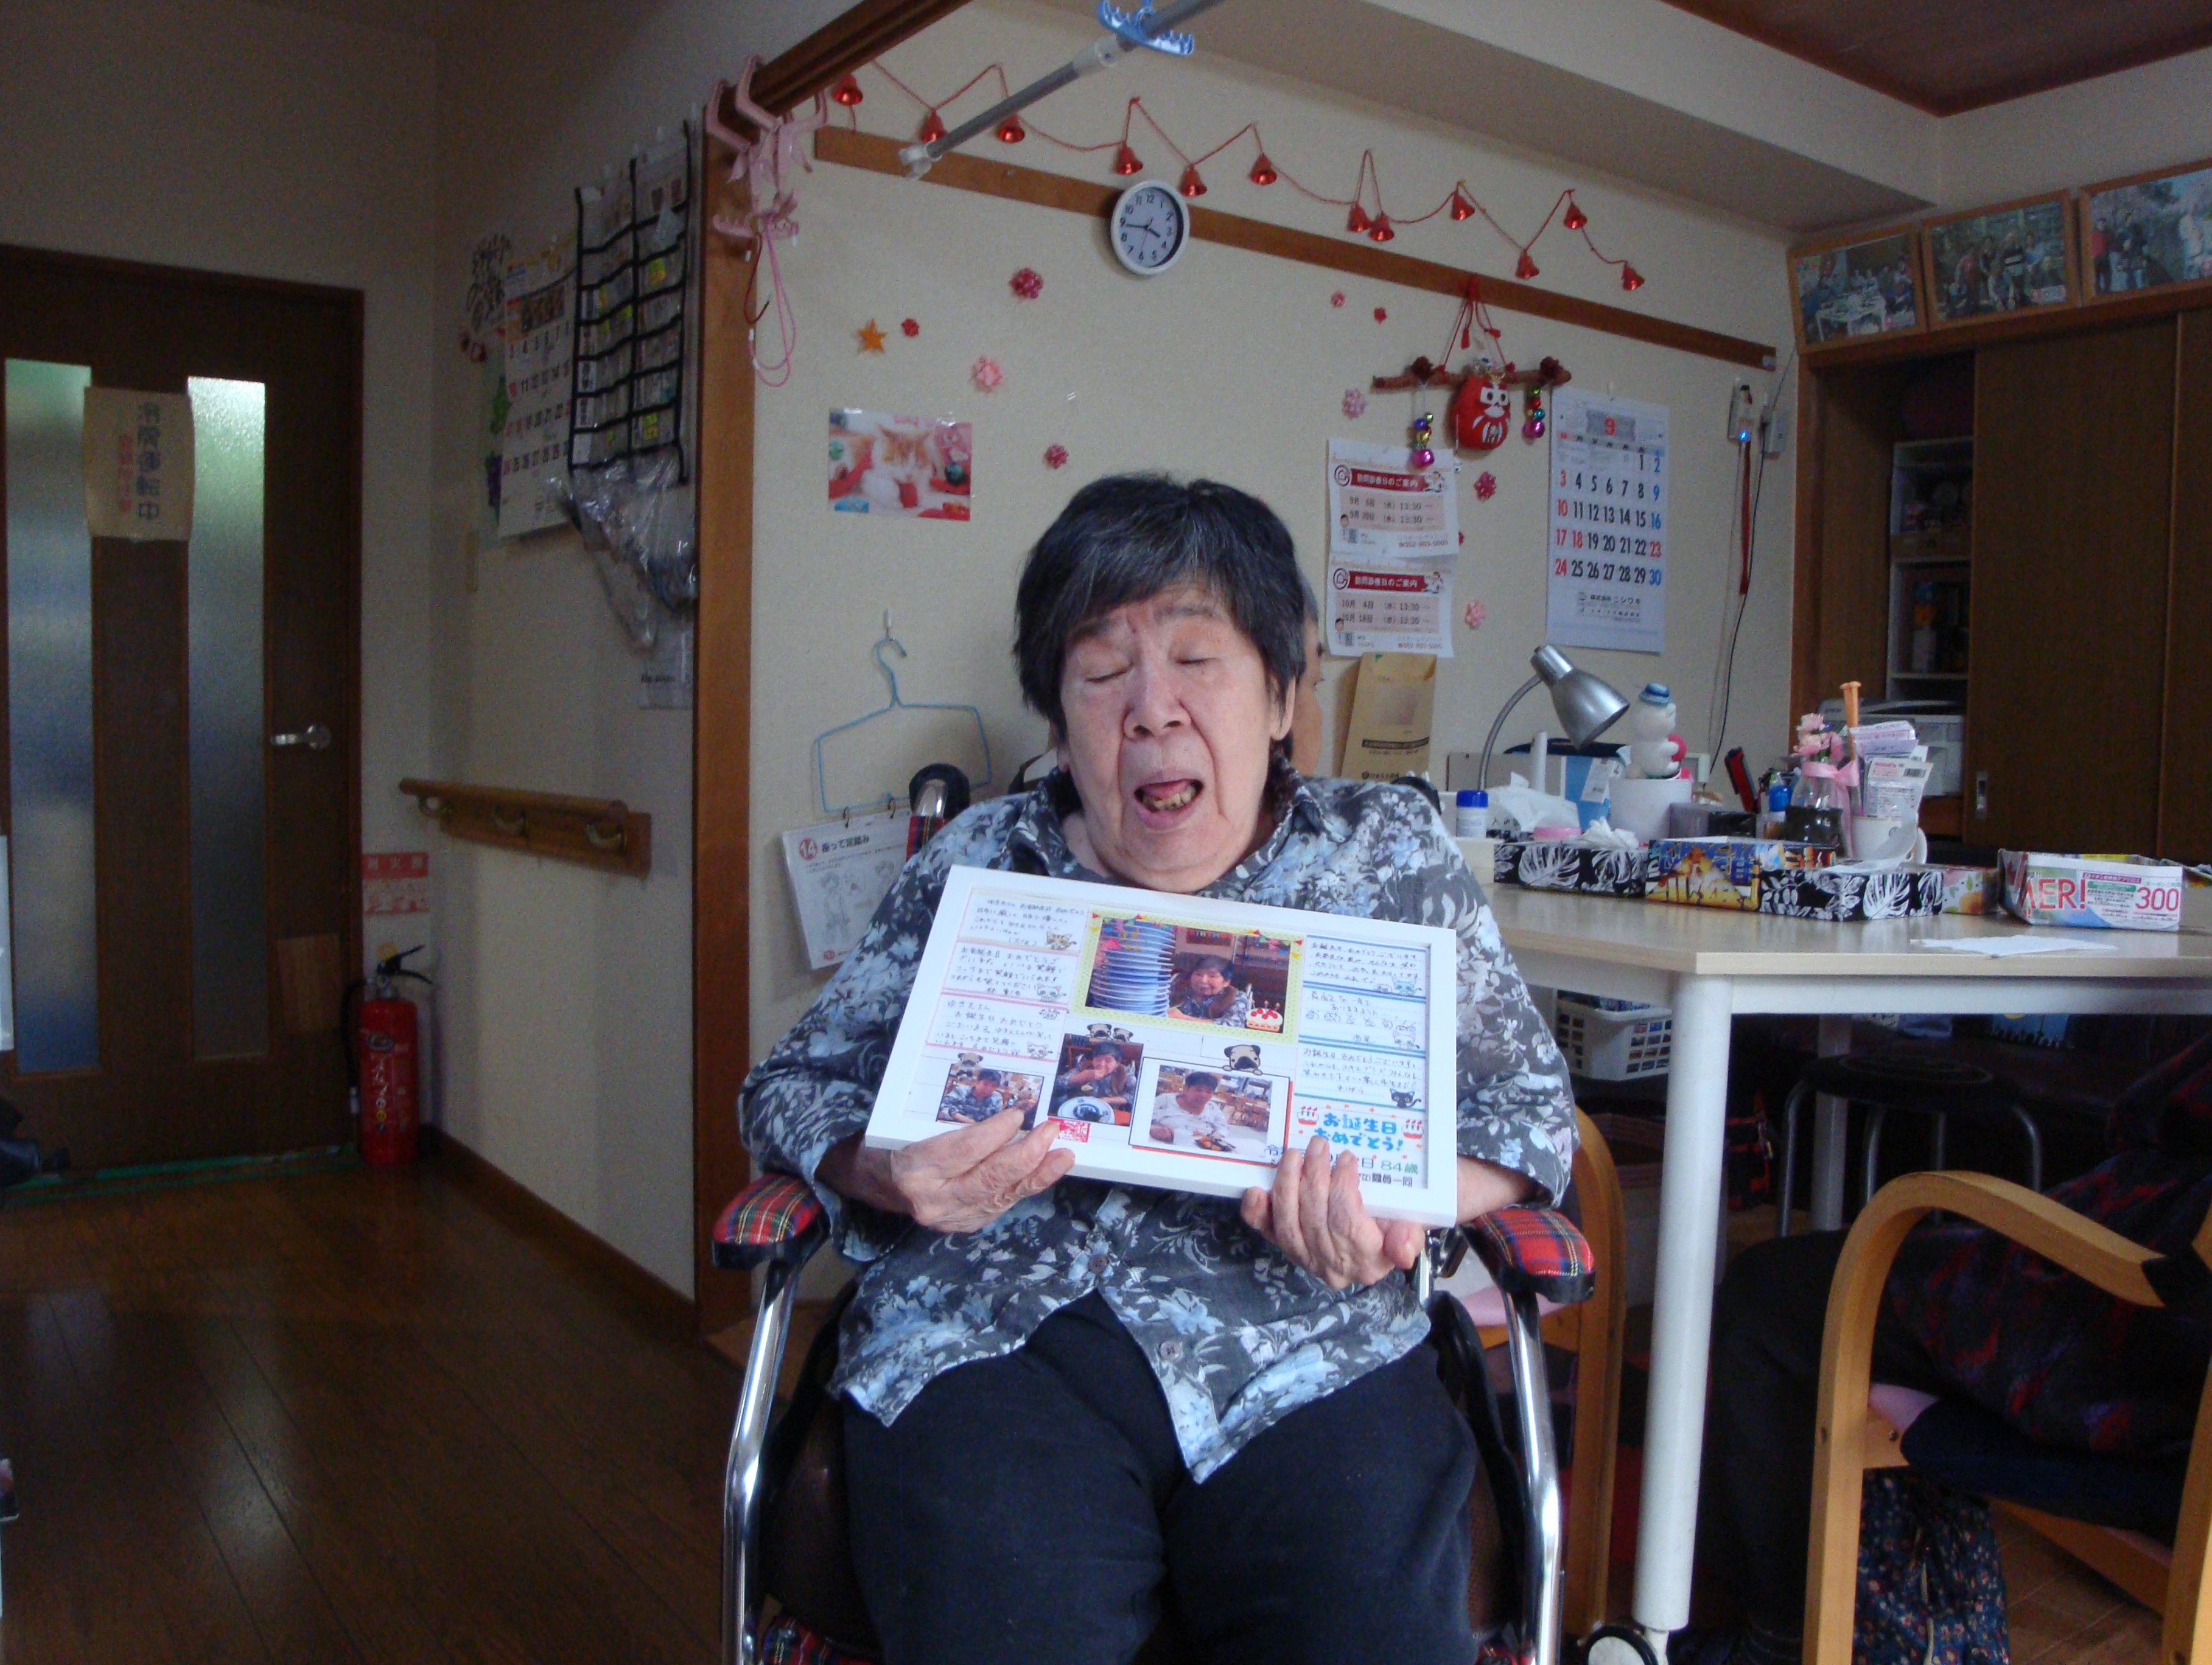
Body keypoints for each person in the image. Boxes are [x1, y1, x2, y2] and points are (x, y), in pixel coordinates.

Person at [740, 472, 1575, 1665]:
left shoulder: (1387, 856)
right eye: (1100, 671)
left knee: (1368, 1628)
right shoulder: (977, 864)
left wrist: (1400, 1202)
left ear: (1280, 694)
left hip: (1308, 1341)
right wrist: (881, 1168)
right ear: (1057, 717)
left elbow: (1525, 1112)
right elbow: (791, 1084)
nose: (1150, 710)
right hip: (994, 1338)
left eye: (1196, 659)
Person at [1683, 1032, 2212, 1665]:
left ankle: (1774, 1639)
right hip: (2164, 1358)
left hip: (2120, 1356)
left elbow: (2148, 1113)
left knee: (1768, 1294)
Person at [1054, 1041, 1136, 1122]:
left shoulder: (1125, 1073)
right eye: (1098, 1060)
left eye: (1108, 1061)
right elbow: (1057, 1083)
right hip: (1082, 1106)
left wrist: (1108, 1100)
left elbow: (1133, 1096)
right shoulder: (1085, 1067)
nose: (1102, 1064)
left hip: (1111, 1110)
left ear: (1117, 1063)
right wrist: (1081, 1076)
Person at [1148, 1070, 1232, 1148]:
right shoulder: (1165, 1101)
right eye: (1199, 1090)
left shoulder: (1212, 1108)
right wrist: (1153, 1129)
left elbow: (1224, 1128)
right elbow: (1142, 1118)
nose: (1203, 1095)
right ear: (1185, 1089)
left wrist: (1214, 1137)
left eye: (1208, 1092)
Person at [1170, 954, 1251, 1026]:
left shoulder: (1236, 997)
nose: (1203, 980)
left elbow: (1233, 1025)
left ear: (1226, 982)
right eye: (1199, 974)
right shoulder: (1179, 989)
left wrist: (1184, 1019)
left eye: (1212, 976)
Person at [939, 1068, 1007, 1123]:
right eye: (985, 1084)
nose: (989, 1089)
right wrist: (958, 1116)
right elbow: (942, 1105)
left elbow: (997, 1119)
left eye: (993, 1086)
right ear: (977, 1082)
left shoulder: (997, 1098)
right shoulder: (962, 1091)